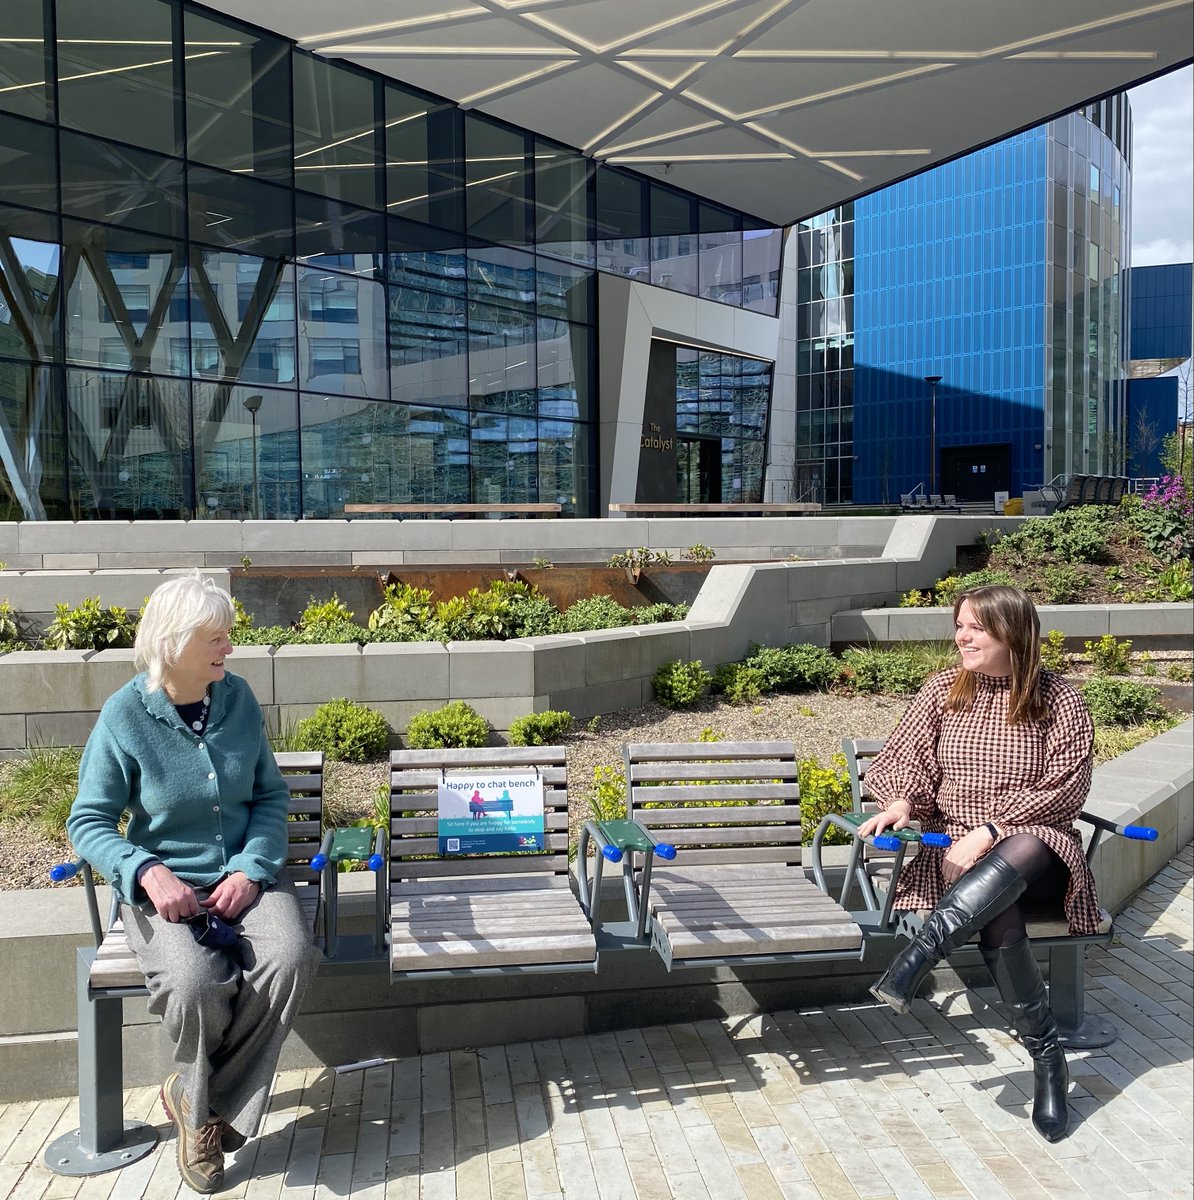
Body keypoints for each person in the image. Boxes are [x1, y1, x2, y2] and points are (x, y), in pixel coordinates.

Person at [67, 572, 321, 1193]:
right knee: (193, 984)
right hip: (169, 891)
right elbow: (88, 822)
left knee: (290, 957)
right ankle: (210, 1110)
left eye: (227, 635)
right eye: (216, 637)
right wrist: (146, 871)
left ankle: (196, 1100)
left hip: (246, 880)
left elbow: (268, 796)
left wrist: (251, 867)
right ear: (174, 641)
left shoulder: (238, 702)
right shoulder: (125, 715)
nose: (228, 648)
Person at [857, 584, 1096, 1143]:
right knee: (997, 912)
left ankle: (916, 958)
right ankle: (1048, 1061)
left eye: (976, 628)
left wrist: (990, 831)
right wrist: (900, 803)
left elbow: (1066, 788)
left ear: (1012, 632)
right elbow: (904, 761)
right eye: (959, 625)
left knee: (1026, 846)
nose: (961, 636)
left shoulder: (1060, 701)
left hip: (1041, 857)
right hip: (958, 864)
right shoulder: (943, 691)